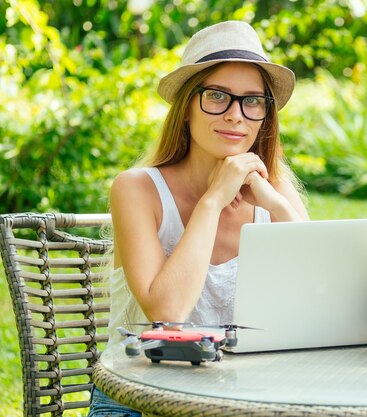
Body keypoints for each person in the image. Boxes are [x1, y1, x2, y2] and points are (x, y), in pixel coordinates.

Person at [88, 20, 309, 416]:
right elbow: (167, 311)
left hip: (243, 398)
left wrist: (278, 207)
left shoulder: (275, 193)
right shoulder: (136, 189)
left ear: (265, 115)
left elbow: (320, 297)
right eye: (217, 96)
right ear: (186, 108)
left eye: (252, 100)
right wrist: (213, 200)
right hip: (139, 398)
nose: (236, 115)